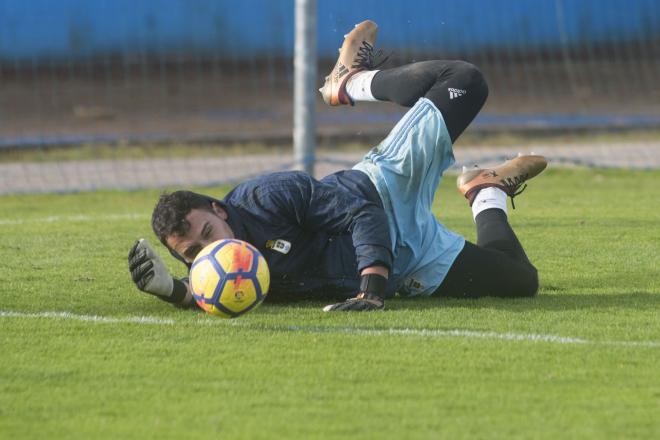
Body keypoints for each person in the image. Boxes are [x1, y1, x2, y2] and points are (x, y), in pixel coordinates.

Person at [128, 20, 547, 312]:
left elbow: (360, 211)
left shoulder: (267, 198)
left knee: (464, 80)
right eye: (194, 253)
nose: (211, 251)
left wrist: (371, 287)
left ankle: (350, 81)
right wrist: (172, 292)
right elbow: (212, 293)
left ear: (219, 210)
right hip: (409, 263)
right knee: (521, 283)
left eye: (208, 233)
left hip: (384, 190)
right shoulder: (224, 271)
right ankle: (484, 189)